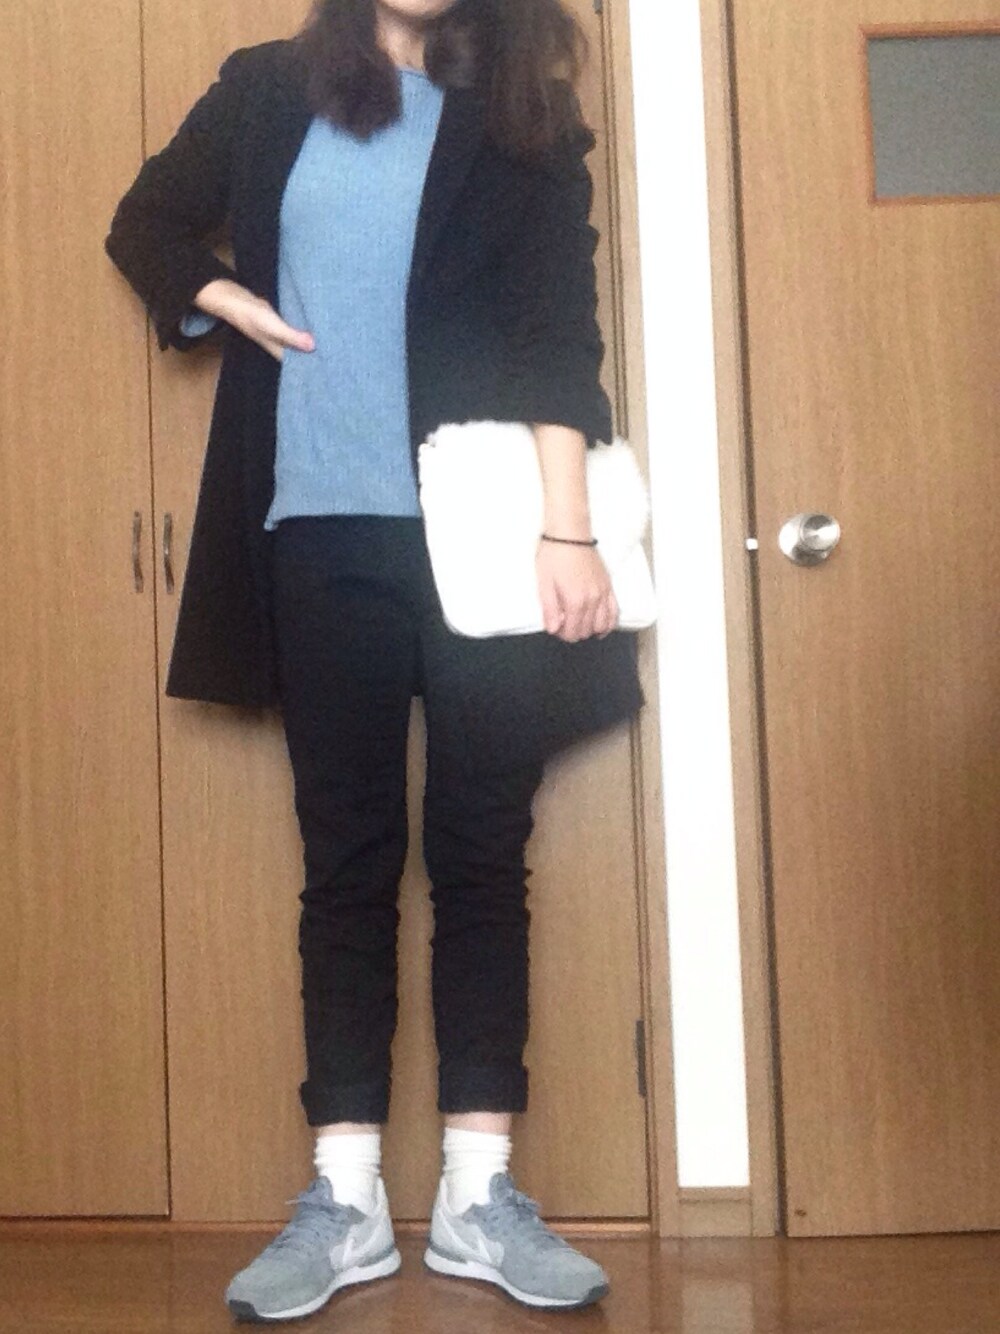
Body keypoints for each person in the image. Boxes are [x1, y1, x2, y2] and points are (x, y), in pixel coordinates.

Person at [105, 0, 644, 1322]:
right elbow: (147, 223)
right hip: (317, 530)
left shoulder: (523, 110)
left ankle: (477, 1195)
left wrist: (569, 532)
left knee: (481, 855)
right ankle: (343, 1202)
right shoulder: (267, 87)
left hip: (487, 543)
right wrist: (224, 300)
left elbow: (558, 336)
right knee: (344, 861)